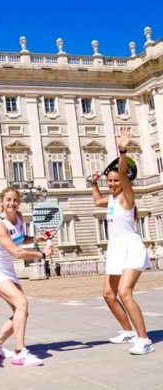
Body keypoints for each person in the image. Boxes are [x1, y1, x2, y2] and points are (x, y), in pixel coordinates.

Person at [90, 127, 154, 355]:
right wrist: (94, 183)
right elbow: (97, 200)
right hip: (115, 248)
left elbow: (125, 175)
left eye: (115, 180)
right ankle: (128, 331)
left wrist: (122, 151)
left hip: (131, 247)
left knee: (125, 293)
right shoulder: (111, 200)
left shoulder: (127, 197)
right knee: (108, 295)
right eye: (110, 181)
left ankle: (144, 339)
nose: (113, 184)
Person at [0, 187, 54, 367]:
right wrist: (42, 255)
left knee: (21, 310)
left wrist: (37, 238)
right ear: (1, 202)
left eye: (15, 200)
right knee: (22, 304)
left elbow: (20, 239)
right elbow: (16, 251)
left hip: (7, 269)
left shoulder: (19, 217)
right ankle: (20, 353)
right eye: (8, 200)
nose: (12, 203)